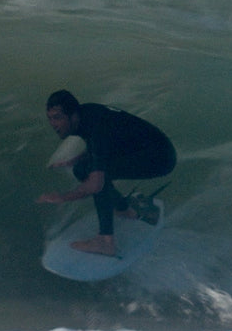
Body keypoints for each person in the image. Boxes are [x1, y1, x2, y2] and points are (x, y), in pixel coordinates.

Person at [37, 90, 176, 256]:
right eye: (50, 118)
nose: (53, 124)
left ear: (73, 115)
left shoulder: (95, 126)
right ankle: (123, 209)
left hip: (160, 157)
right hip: (142, 148)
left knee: (97, 176)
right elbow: (102, 144)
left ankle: (105, 242)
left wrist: (62, 197)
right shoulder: (86, 113)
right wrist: (73, 160)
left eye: (58, 117)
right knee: (81, 168)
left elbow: (95, 184)